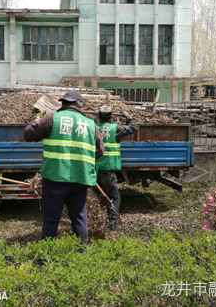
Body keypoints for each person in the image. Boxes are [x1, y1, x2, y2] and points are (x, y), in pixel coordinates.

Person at [24, 91, 105, 245]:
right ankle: (80, 254)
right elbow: (100, 150)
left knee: (51, 219)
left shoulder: (51, 119)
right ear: (80, 105)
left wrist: (36, 119)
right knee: (79, 218)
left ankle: (46, 255)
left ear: (63, 103)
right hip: (80, 178)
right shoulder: (90, 124)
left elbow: (29, 134)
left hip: (55, 177)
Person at [94, 105, 137, 230]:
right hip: (108, 169)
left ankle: (96, 219)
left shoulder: (93, 127)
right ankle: (112, 224)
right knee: (113, 197)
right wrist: (128, 117)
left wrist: (93, 118)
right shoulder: (115, 129)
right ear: (112, 117)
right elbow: (133, 127)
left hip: (94, 169)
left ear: (98, 116)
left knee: (97, 195)